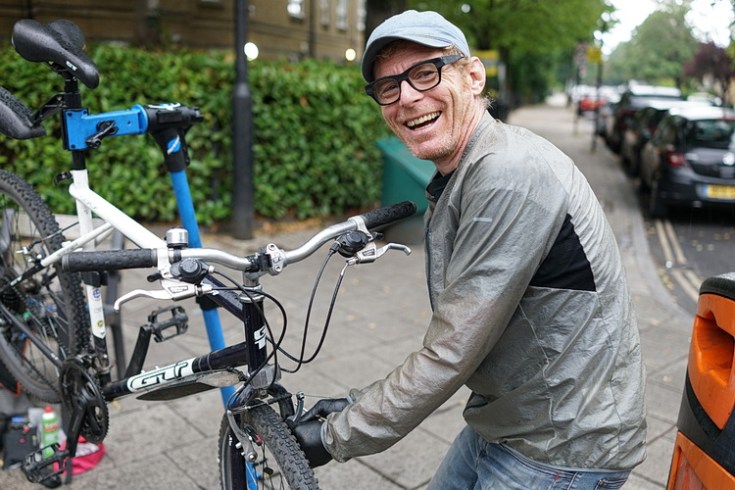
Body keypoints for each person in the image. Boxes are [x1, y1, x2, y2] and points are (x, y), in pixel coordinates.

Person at [293, 9, 647, 488]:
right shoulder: (470, 167)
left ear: (473, 75)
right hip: (512, 420)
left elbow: (453, 348)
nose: (407, 98)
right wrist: (359, 402)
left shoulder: (507, 174)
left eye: (425, 73)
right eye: (388, 88)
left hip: (562, 444)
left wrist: (338, 435)